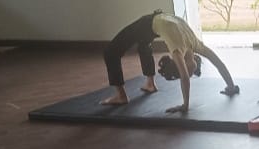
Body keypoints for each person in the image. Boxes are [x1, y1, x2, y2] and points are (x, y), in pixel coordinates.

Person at [100, 10, 240, 113]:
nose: (190, 73)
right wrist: (185, 105)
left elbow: (217, 64)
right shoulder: (191, 46)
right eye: (190, 71)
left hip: (156, 21)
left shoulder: (183, 49)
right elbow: (186, 76)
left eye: (188, 72)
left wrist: (231, 86)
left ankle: (148, 85)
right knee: (112, 51)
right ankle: (124, 94)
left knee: (142, 44)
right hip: (147, 22)